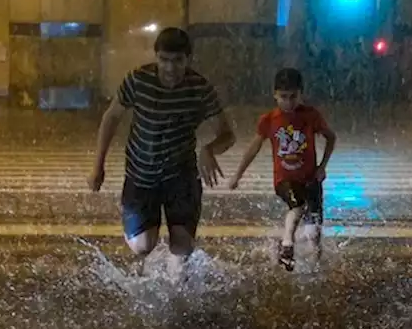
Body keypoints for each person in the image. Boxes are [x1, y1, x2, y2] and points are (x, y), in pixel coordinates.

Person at [88, 26, 236, 264]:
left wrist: (209, 149)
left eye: (178, 61)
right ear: (156, 56)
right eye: (164, 60)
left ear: (188, 59)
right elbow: (111, 117)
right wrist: (98, 166)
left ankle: (177, 276)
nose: (170, 68)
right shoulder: (138, 80)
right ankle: (147, 248)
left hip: (181, 175)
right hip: (141, 174)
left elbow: (228, 134)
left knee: (182, 247)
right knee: (142, 246)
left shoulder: (199, 88)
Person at [226, 67, 336, 271]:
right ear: (274, 94)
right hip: (284, 179)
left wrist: (322, 167)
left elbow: (331, 137)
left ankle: (314, 267)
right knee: (297, 206)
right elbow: (253, 148)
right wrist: (237, 175)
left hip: (311, 179)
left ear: (301, 93)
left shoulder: (311, 115)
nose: (288, 102)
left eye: (293, 97)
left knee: (314, 233)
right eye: (283, 97)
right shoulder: (269, 120)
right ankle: (287, 244)